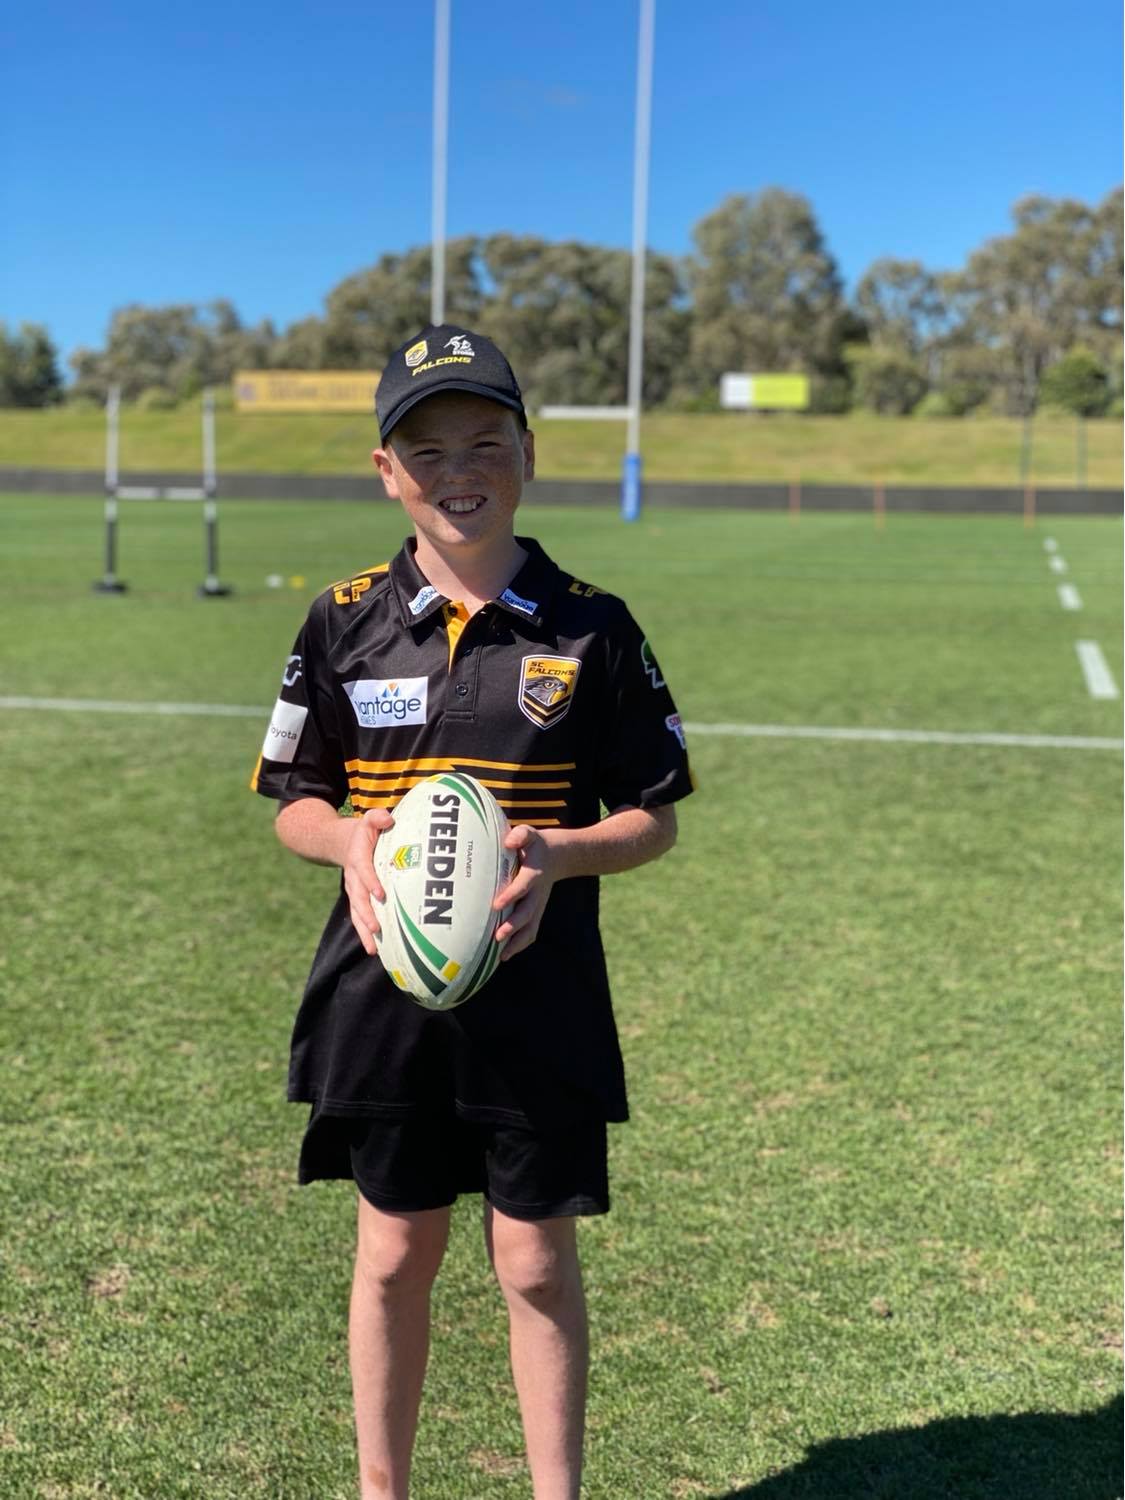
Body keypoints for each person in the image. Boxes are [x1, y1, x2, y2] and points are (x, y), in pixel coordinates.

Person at [251, 323, 694, 1499]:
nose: (460, 468)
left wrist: (552, 851)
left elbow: (653, 816)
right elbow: (293, 802)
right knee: (394, 1250)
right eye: (428, 446)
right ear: (387, 469)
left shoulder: (593, 626)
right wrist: (351, 836)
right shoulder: (341, 619)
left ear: (529, 455)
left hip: (536, 996)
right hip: (383, 992)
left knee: (537, 1264)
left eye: (485, 441)